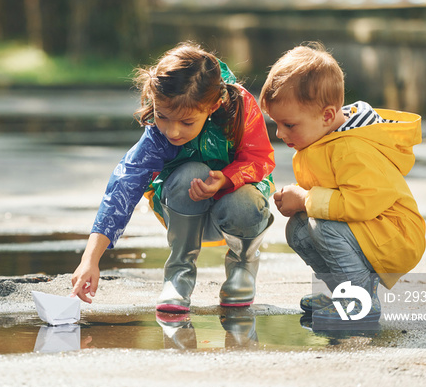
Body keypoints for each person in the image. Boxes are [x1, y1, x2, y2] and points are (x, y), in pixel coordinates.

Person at [71, 42, 276, 313]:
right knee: (190, 173)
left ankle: (242, 268)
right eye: (162, 117)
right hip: (184, 214)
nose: (173, 131)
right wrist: (90, 259)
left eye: (187, 122)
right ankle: (178, 276)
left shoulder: (239, 107)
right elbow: (123, 186)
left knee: (245, 198)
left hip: (236, 212)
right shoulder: (158, 132)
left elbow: (260, 159)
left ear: (213, 106)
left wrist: (227, 179)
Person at [259, 43, 425, 326]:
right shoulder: (324, 137)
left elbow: (359, 203)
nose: (279, 133)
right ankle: (343, 293)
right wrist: (299, 198)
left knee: (322, 225)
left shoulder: (353, 149)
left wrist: (305, 198)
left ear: (326, 116)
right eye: (277, 124)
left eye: (289, 125)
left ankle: (359, 301)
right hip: (370, 230)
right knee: (299, 228)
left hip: (394, 235)